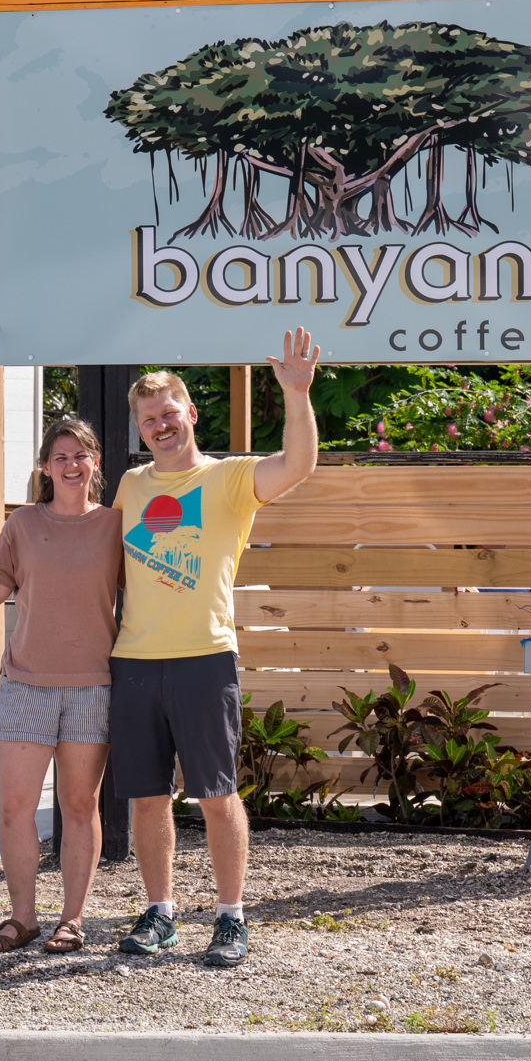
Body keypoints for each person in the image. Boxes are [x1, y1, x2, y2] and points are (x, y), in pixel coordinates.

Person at [106, 328, 320, 968]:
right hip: (135, 661)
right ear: (140, 429)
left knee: (216, 794)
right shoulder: (129, 486)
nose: (160, 426)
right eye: (149, 420)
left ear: (191, 414)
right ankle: (160, 912)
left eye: (169, 413)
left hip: (205, 658)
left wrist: (298, 396)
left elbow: (299, 465)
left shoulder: (228, 478)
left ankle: (231, 918)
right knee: (146, 795)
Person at [0, 418, 123, 955]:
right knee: (15, 807)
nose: (71, 464)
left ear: (95, 462)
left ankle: (73, 919)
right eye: (60, 456)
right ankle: (23, 918)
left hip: (93, 686)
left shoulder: (114, 526)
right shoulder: (23, 525)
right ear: (44, 467)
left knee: (80, 805)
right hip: (26, 685)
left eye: (81, 454)